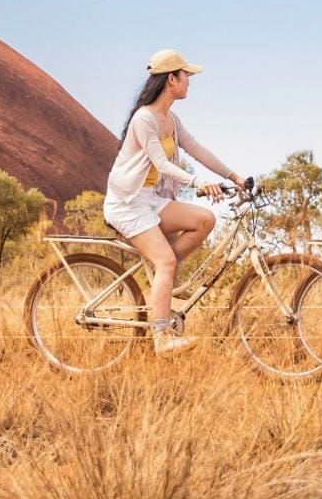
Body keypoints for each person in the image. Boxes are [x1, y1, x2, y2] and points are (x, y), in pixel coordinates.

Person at [104, 49, 245, 355]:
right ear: (172, 79)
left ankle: (162, 276)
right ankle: (161, 338)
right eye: (186, 77)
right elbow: (161, 163)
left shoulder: (171, 118)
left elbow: (198, 149)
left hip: (153, 199)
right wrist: (197, 182)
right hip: (128, 203)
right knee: (166, 261)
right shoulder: (144, 119)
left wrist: (234, 176)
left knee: (204, 220)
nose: (189, 82)